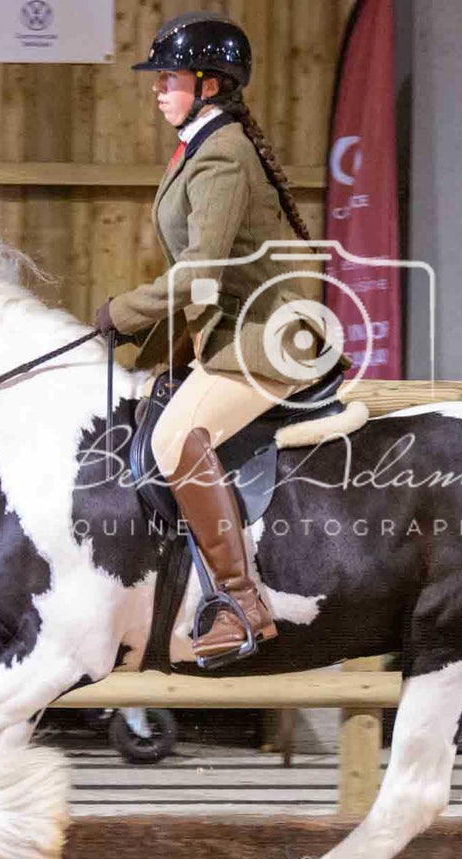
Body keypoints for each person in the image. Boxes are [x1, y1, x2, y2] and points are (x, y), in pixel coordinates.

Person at [95, 12, 328, 662]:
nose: (156, 88)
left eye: (167, 76)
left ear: (209, 83)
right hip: (224, 337)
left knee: (174, 439)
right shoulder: (201, 145)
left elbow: (201, 271)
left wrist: (125, 312)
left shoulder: (222, 153)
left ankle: (240, 603)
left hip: (259, 341)